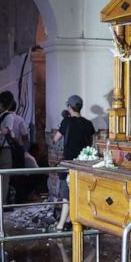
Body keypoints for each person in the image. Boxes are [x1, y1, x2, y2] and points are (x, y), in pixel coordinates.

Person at [52, 95, 95, 232]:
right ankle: (74, 220)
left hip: (69, 162)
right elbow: (91, 142)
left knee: (66, 194)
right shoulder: (88, 124)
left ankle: (61, 225)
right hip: (84, 163)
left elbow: (55, 139)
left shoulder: (66, 122)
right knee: (80, 192)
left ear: (69, 107)